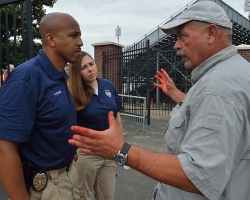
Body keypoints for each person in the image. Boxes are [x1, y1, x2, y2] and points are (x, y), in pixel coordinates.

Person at [68, 1, 250, 200]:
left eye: (183, 36)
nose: (176, 44)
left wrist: (123, 150)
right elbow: (206, 112)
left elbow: (198, 175)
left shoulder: (219, 87)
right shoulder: (232, 73)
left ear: (211, 34)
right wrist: (177, 95)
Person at [0, 12, 83, 200]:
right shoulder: (26, 78)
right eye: (73, 35)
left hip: (67, 176)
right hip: (45, 186)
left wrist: (68, 154)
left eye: (79, 35)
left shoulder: (58, 75)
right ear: (51, 39)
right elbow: (4, 147)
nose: (80, 42)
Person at [67, 51, 124, 200]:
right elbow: (68, 124)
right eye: (83, 67)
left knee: (107, 195)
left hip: (110, 152)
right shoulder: (73, 93)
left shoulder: (108, 85)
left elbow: (117, 116)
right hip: (87, 153)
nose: (90, 69)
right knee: (82, 196)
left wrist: (122, 145)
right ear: (77, 72)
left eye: (91, 64)